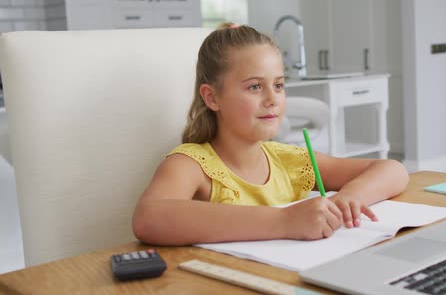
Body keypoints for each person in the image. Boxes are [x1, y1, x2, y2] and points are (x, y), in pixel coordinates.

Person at [132, 23, 409, 246]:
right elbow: (148, 218)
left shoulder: (290, 161)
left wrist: (348, 199)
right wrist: (285, 221)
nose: (272, 99)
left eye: (278, 85)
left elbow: (393, 170)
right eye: (254, 87)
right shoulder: (190, 164)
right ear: (212, 97)